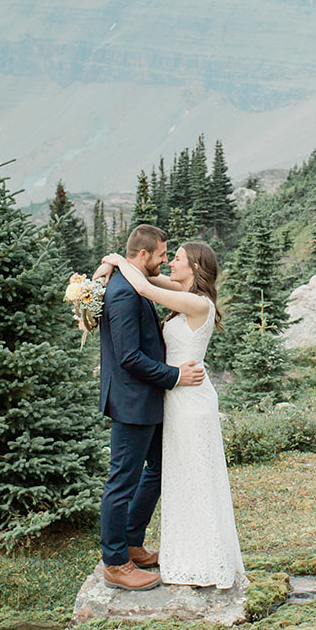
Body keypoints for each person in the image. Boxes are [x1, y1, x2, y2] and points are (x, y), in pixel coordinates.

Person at [99, 240, 246, 590]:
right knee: (166, 471)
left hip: (190, 399)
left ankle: (200, 554)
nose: (169, 263)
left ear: (194, 268)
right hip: (172, 398)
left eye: (175, 258)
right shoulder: (180, 290)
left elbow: (145, 286)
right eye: (166, 255)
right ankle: (129, 547)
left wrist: (118, 258)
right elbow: (144, 279)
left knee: (193, 475)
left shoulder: (196, 302)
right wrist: (107, 268)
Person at [97, 224, 205, 591]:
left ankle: (131, 541)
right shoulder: (126, 292)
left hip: (147, 399)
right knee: (121, 481)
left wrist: (110, 264)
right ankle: (115, 562)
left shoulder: (133, 281)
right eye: (161, 254)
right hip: (132, 400)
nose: (164, 259)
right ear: (142, 255)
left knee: (158, 469)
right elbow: (129, 357)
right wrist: (174, 376)